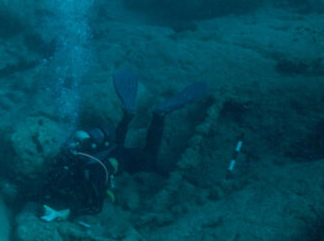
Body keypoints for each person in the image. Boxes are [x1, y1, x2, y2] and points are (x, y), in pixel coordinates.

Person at [38, 70, 209, 220]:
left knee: (149, 159)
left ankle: (159, 115)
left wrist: (69, 213)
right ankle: (127, 116)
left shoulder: (93, 175)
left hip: (123, 159)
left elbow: (96, 208)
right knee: (118, 145)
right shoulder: (67, 161)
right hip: (109, 150)